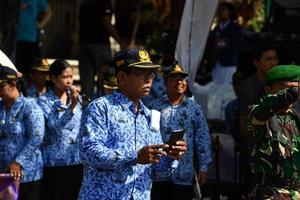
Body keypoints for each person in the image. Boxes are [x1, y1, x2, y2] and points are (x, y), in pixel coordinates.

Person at [78, 48, 186, 200]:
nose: (149, 79)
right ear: (122, 77)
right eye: (141, 74)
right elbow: (88, 152)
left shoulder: (150, 115)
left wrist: (170, 157)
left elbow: (156, 172)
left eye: (151, 74)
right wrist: (134, 156)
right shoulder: (100, 107)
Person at [149, 64, 212, 200]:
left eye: (182, 79)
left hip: (184, 173)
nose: (179, 82)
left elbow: (203, 138)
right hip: (158, 173)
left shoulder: (194, 108)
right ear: (166, 83)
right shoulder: (154, 107)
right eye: (174, 79)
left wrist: (204, 167)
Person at [245, 65, 300, 199]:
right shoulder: (256, 113)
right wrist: (291, 93)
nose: (290, 93)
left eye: (295, 87)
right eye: (284, 87)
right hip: (270, 193)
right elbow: (264, 110)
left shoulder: (296, 118)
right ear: (268, 88)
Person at [37, 59, 83, 200]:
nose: (69, 81)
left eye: (71, 77)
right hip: (55, 161)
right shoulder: (44, 101)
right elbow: (54, 126)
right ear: (53, 78)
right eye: (64, 77)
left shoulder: (76, 98)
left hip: (75, 159)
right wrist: (71, 108)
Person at [0, 65, 45, 200]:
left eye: (1, 87)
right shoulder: (1, 107)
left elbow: (36, 137)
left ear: (13, 84)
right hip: (3, 172)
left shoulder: (29, 106)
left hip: (27, 173)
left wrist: (18, 162)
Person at [79, 0, 126, 98]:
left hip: (84, 44)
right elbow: (107, 23)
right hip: (99, 44)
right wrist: (120, 41)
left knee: (87, 82)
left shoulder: (84, 3)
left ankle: (87, 104)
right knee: (107, 76)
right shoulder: (104, 2)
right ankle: (105, 102)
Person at [210, 2, 244, 85]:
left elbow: (240, 45)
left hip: (229, 64)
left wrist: (225, 48)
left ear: (230, 12)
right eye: (219, 10)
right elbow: (211, 42)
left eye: (223, 10)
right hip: (216, 64)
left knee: (226, 90)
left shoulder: (235, 28)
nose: (220, 13)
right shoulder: (217, 27)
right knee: (215, 88)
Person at [16, 0, 52, 76]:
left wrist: (41, 24)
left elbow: (49, 12)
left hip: (31, 39)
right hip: (14, 39)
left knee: (31, 70)